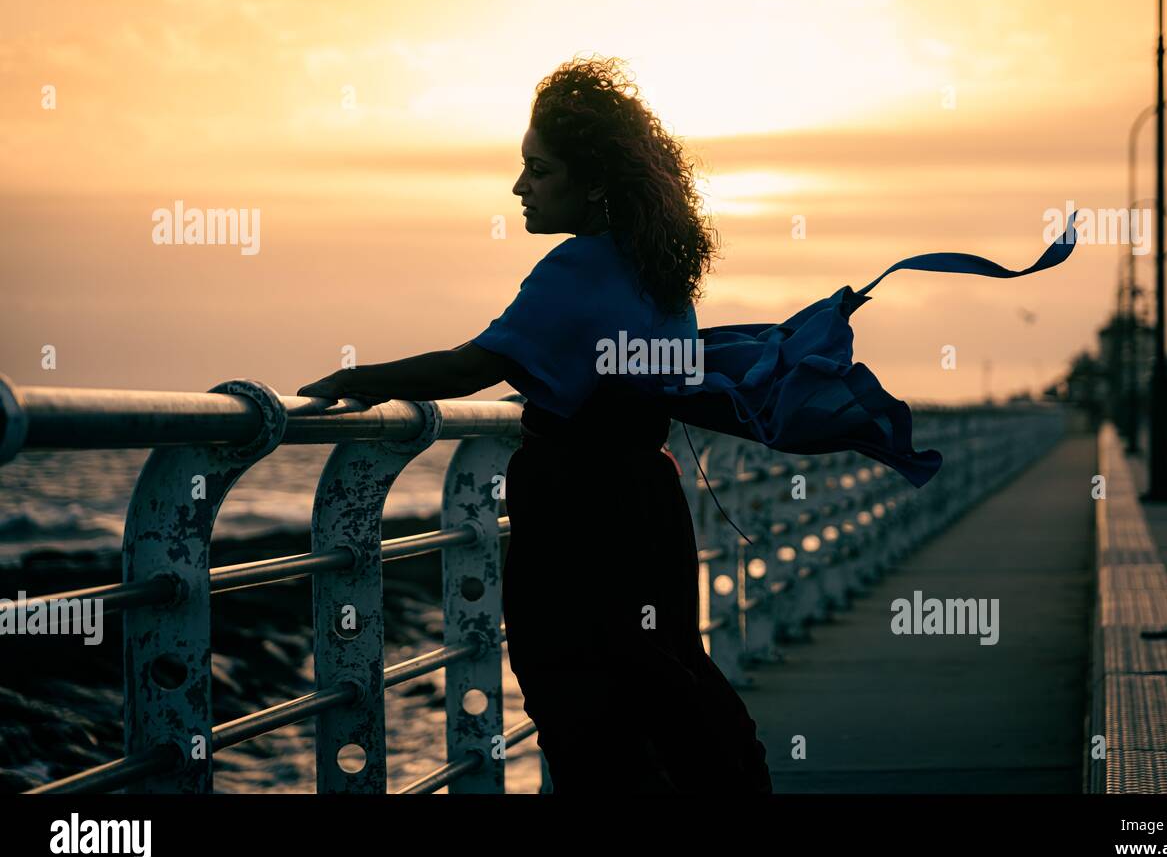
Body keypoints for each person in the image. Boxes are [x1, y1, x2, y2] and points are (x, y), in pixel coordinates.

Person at [297, 54, 1081, 793]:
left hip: (576, 513)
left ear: (594, 182)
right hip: (648, 503)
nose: (518, 188)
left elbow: (476, 366)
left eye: (539, 170)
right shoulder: (658, 271)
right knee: (664, 671)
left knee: (575, 692)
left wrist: (358, 379)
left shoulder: (575, 269)